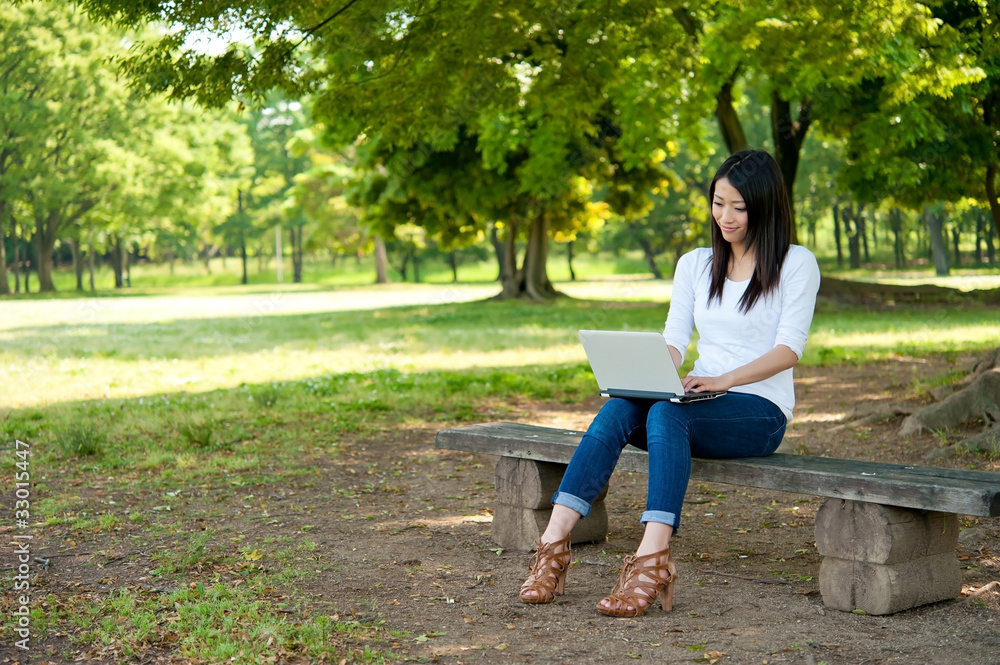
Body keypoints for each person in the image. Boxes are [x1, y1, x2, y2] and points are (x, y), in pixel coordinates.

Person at [518, 148, 821, 617]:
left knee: (666, 412)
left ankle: (652, 559)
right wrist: (651, 370)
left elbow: (789, 350)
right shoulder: (696, 264)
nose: (726, 216)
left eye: (739, 206)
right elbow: (676, 340)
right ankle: (552, 546)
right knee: (621, 406)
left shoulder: (795, 263)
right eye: (719, 203)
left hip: (759, 409)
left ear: (767, 205)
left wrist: (723, 378)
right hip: (695, 400)